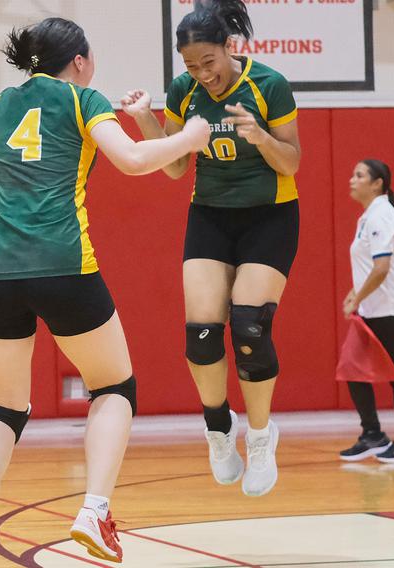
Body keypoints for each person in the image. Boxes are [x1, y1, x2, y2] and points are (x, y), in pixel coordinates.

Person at [0, 17, 210, 568]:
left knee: (3, 407)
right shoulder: (83, 100)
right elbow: (133, 161)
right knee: (114, 386)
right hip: (62, 261)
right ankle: (92, 512)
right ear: (80, 61)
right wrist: (190, 137)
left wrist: (9, 174)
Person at [121, 0, 301, 497]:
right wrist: (144, 120)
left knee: (249, 325)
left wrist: (259, 136)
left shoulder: (269, 84)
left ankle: (261, 437)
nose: (202, 75)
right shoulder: (184, 92)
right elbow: (177, 166)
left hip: (270, 216)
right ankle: (220, 430)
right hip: (211, 217)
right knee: (201, 336)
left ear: (229, 48)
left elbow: (291, 162)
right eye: (191, 66)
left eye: (209, 63)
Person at [340, 159, 394, 463]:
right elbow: (371, 267)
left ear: (378, 183)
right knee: (352, 369)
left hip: (390, 308)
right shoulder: (369, 216)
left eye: (359, 175)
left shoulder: (380, 216)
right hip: (373, 306)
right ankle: (372, 434)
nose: (352, 180)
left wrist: (357, 296)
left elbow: (382, 267)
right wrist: (357, 293)